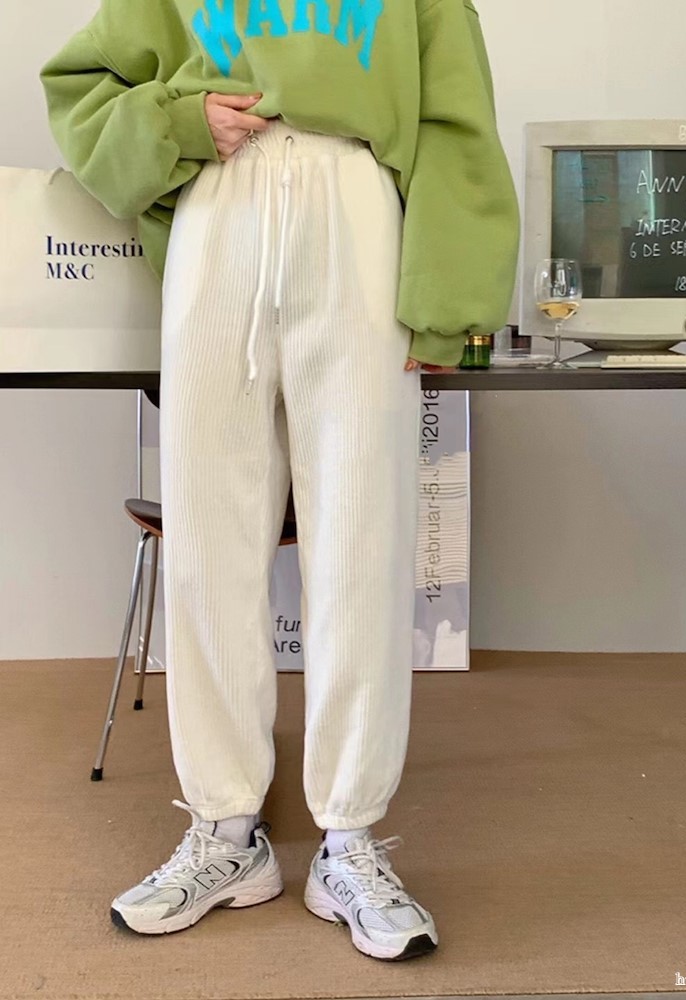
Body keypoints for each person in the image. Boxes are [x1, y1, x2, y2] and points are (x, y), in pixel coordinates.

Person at [41, 0, 519, 961]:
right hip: (219, 211)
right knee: (207, 541)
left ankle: (349, 838)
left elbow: (455, 124)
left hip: (359, 212)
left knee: (363, 540)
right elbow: (80, 85)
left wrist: (449, 303)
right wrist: (178, 124)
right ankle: (225, 831)